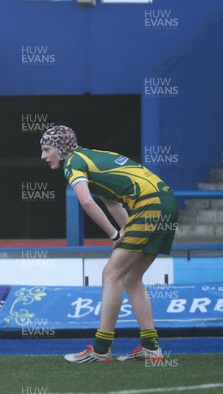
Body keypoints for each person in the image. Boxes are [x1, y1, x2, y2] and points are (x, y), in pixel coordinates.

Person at [39, 125, 178, 363]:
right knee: (131, 278)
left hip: (149, 206)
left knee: (111, 274)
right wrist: (124, 232)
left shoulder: (73, 162)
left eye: (47, 149)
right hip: (166, 204)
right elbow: (113, 203)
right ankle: (152, 348)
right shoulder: (94, 157)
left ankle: (101, 350)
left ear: (62, 150)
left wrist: (115, 236)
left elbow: (86, 202)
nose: (43, 156)